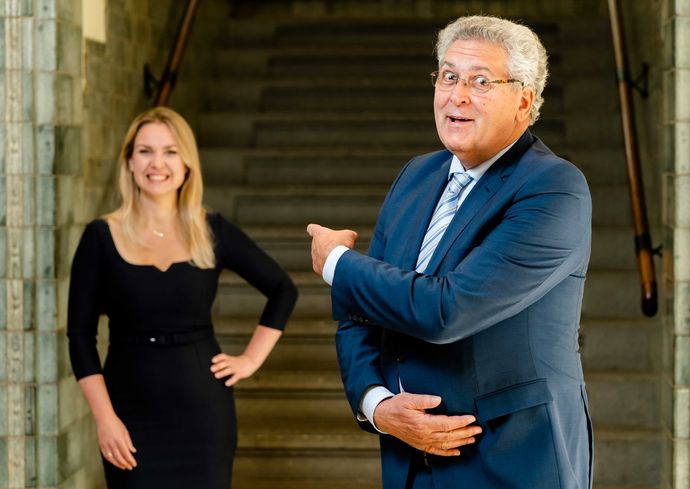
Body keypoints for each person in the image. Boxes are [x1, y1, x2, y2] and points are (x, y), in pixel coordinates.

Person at [307, 15, 593, 489]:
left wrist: (336, 261)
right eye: (449, 76)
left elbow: (447, 309)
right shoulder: (416, 175)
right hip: (410, 461)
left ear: (524, 100)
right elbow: (360, 315)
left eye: (480, 81)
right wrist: (377, 404)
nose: (457, 96)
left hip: (513, 460)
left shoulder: (554, 188)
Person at [67, 106, 298, 488]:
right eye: (145, 151)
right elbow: (80, 337)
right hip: (128, 413)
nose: (157, 163)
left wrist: (251, 359)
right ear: (128, 160)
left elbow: (282, 289)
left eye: (170, 151)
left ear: (187, 163)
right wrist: (104, 418)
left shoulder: (211, 230)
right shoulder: (100, 237)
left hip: (203, 414)